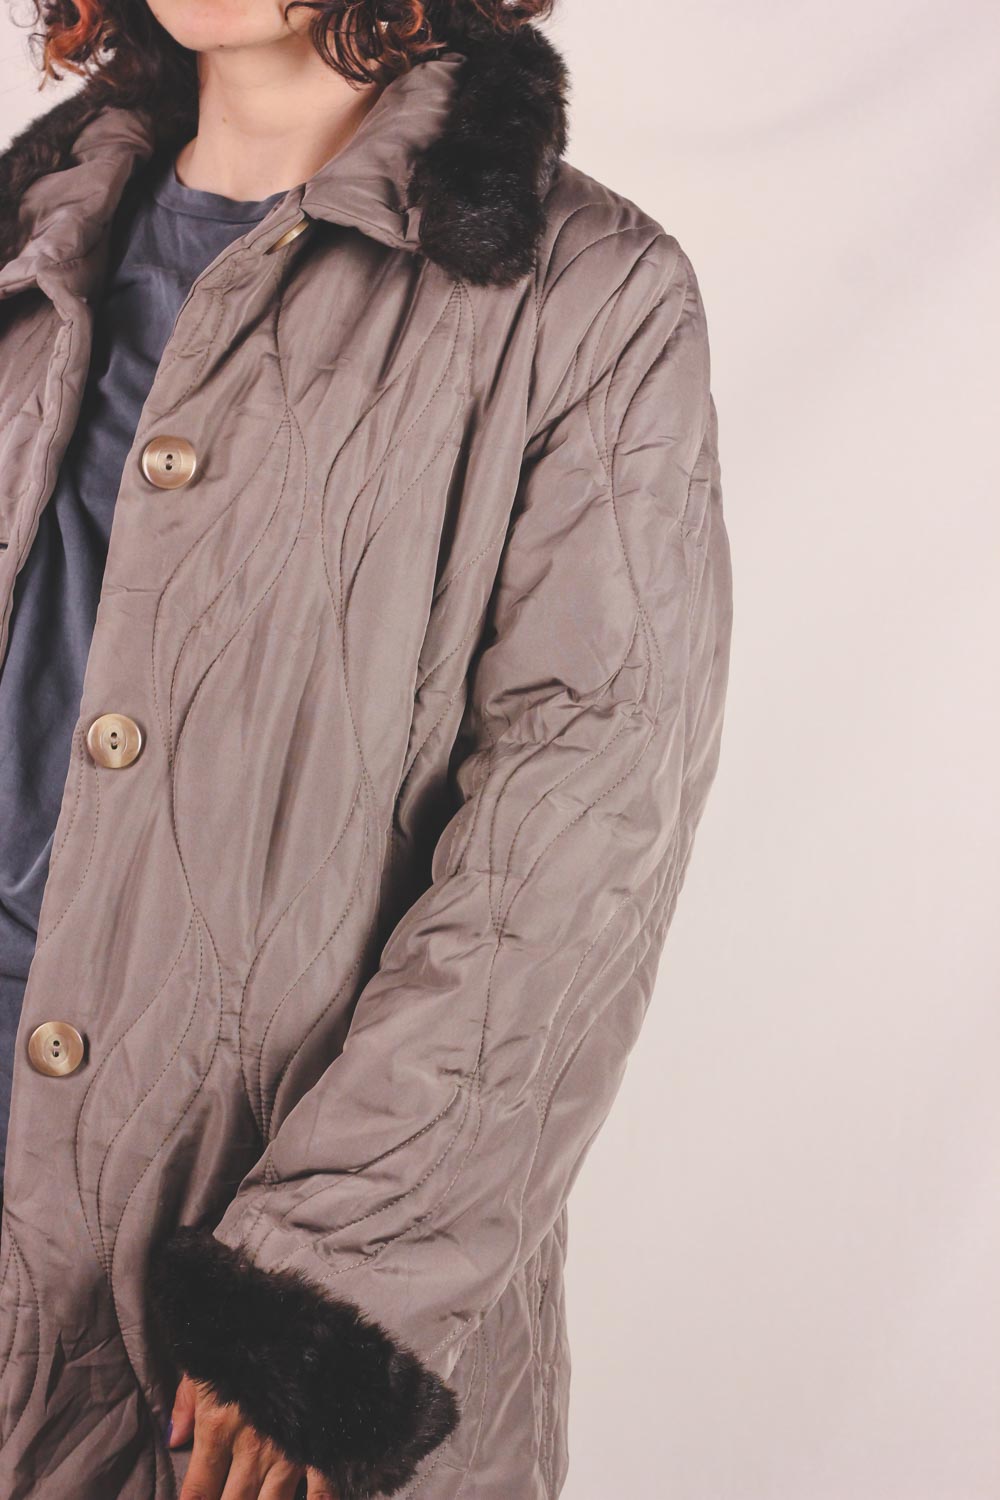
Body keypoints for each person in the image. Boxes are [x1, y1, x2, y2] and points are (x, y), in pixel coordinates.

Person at [0, 0, 733, 1494]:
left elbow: (577, 835)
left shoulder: (582, 292)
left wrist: (318, 1291)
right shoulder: (36, 242)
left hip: (222, 1262)